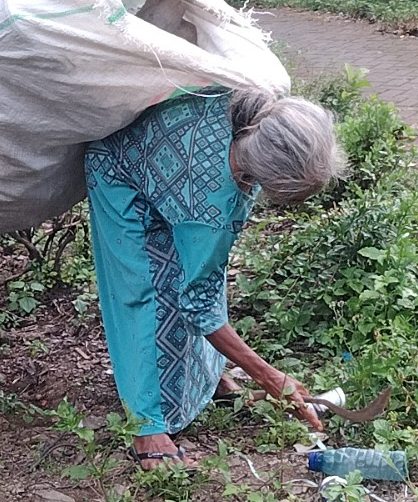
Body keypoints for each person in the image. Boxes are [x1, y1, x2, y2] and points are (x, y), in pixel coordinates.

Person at [84, 85, 346, 469]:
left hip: (165, 172)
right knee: (144, 290)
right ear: (263, 178)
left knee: (201, 273)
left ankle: (208, 381)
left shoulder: (251, 112)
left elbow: (204, 282)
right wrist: (270, 377)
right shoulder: (212, 205)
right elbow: (198, 306)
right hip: (117, 170)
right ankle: (146, 428)